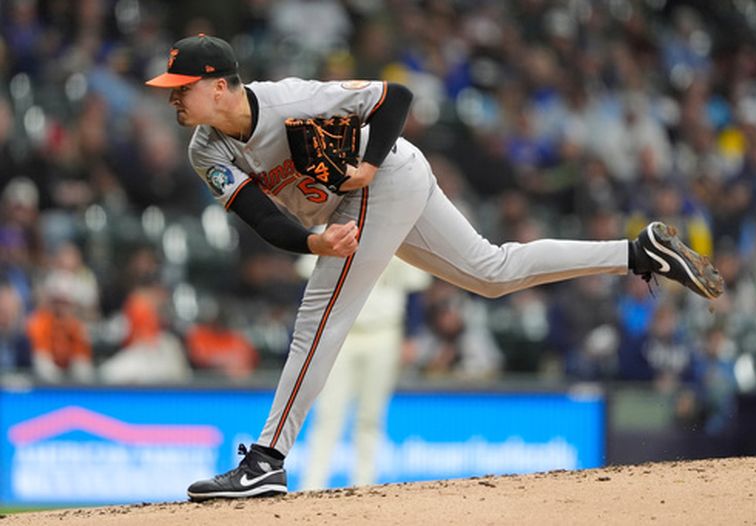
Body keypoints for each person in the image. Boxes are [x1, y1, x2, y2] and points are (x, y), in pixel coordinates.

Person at [144, 34, 724, 501]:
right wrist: (313, 242)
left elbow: (394, 97)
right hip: (363, 197)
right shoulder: (206, 148)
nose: (172, 96)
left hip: (388, 174)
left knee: (319, 317)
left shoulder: (291, 99)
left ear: (219, 87)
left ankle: (266, 461)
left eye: (181, 87)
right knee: (492, 273)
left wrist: (368, 166)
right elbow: (261, 219)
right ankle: (638, 253)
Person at [299, 256, 430, 489]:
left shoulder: (399, 227)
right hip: (340, 331)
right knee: (328, 413)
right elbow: (309, 281)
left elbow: (414, 291)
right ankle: (312, 485)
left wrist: (411, 335)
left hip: (385, 330)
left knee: (370, 416)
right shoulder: (336, 223)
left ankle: (363, 486)